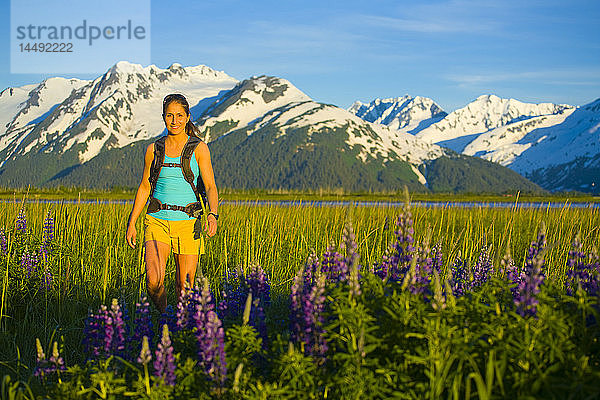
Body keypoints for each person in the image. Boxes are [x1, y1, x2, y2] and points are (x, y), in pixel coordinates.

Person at [126, 93, 218, 313]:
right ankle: (165, 317)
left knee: (184, 289)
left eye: (179, 115)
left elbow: (211, 186)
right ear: (163, 117)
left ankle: (181, 331)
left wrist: (213, 213)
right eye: (170, 115)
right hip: (157, 221)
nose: (174, 120)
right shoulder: (153, 150)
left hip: (189, 223)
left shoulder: (199, 149)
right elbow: (144, 187)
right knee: (153, 282)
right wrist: (132, 222)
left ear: (187, 117)